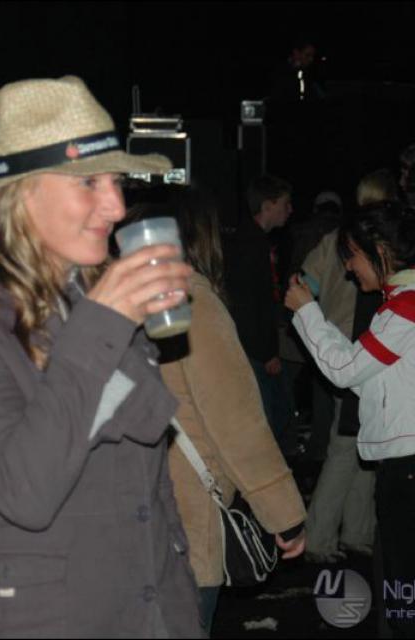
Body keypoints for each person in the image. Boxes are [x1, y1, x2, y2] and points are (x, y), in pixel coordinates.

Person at [0, 76, 202, 638]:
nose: (116, 206)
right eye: (89, 182)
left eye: (117, 182)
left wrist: (177, 609)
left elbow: (146, 467)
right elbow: (24, 491)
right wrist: (104, 323)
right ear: (19, 194)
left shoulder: (86, 297)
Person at [131, 188, 306, 636]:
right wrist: (284, 514)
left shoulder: (107, 305)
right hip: (182, 520)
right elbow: (237, 423)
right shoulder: (193, 306)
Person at [285, 200, 415, 638]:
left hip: (408, 467)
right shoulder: (400, 305)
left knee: (403, 591)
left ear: (381, 250)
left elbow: (345, 372)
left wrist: (307, 311)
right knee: (398, 584)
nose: (347, 267)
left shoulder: (405, 308)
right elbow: (366, 379)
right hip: (403, 463)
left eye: (352, 255)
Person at [299, 170, 397, 563]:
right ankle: (318, 538)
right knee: (345, 448)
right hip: (350, 350)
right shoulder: (374, 245)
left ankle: (356, 531)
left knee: (365, 446)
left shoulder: (336, 240)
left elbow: (305, 282)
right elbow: (304, 287)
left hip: (350, 347)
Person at [223, 174, 294, 451]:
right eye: (285, 204)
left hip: (254, 347)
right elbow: (248, 304)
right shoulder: (249, 244)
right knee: (268, 421)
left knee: (275, 414)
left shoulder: (254, 241)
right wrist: (266, 353)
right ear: (267, 205)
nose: (290, 210)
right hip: (253, 349)